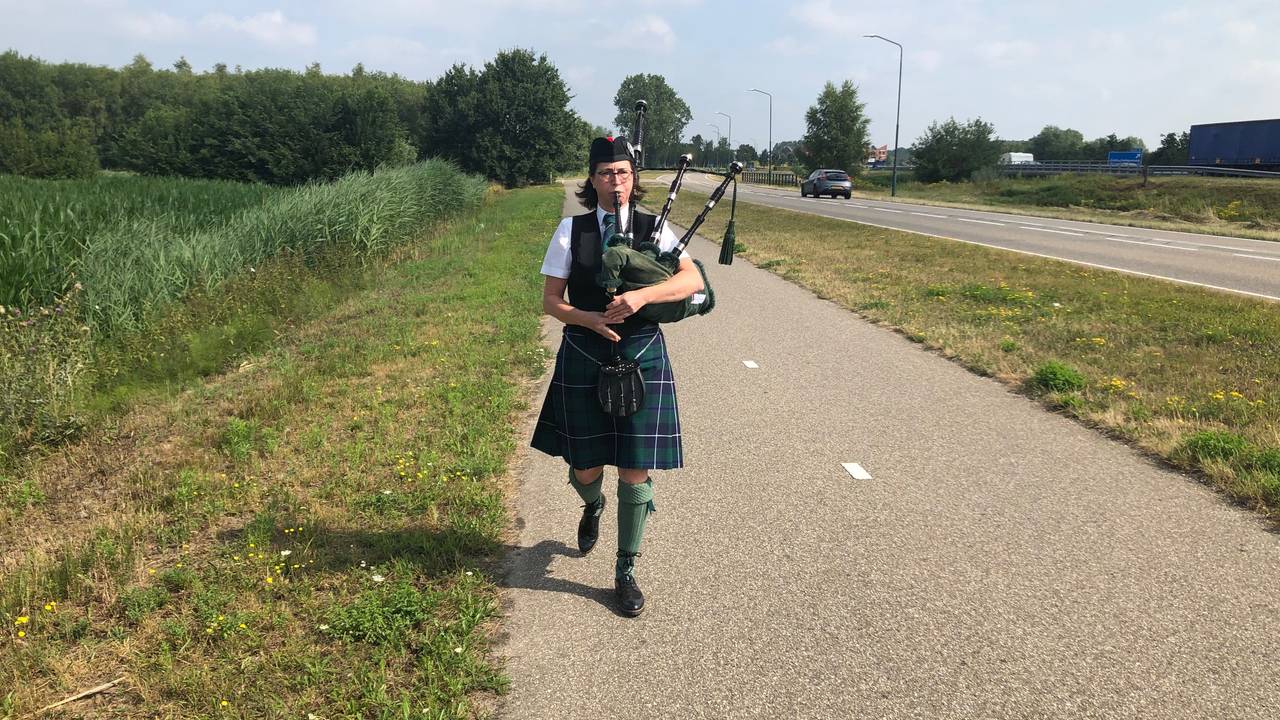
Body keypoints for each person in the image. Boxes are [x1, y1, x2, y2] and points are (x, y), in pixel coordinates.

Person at [530, 135, 704, 617]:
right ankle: (592, 503)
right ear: (592, 179)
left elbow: (692, 281)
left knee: (634, 465)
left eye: (623, 173)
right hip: (585, 351)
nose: (615, 182)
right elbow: (551, 301)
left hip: (642, 352)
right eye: (606, 173)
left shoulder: (656, 228)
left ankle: (625, 569)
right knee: (585, 466)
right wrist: (588, 318)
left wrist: (641, 298)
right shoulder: (572, 230)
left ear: (634, 178)